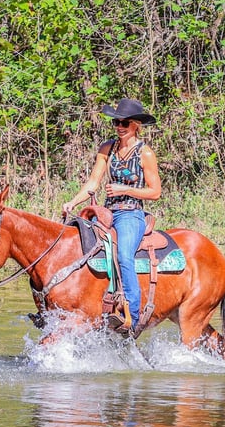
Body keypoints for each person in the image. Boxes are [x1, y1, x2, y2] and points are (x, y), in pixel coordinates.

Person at [63, 98, 162, 330]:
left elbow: (155, 192)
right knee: (77, 245)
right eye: (116, 122)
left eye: (124, 123)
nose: (119, 126)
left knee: (124, 256)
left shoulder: (145, 153)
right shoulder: (108, 148)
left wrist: (124, 189)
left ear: (136, 124)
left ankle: (132, 318)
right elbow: (93, 182)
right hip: (106, 212)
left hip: (131, 214)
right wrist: (73, 201)